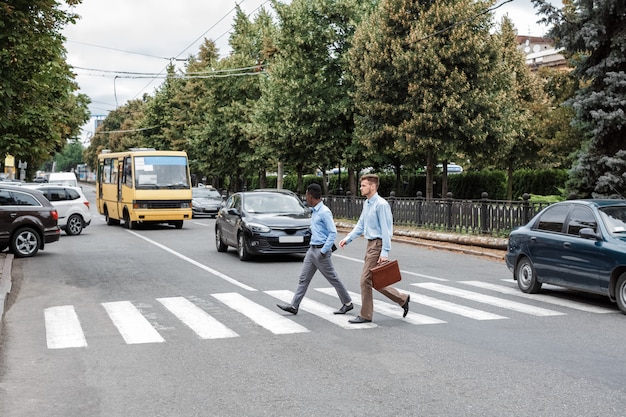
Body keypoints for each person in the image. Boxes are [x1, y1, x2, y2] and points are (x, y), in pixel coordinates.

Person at [339, 174, 410, 323]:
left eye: (363, 185)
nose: (361, 188)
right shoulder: (367, 203)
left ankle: (365, 315)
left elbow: (386, 230)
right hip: (370, 244)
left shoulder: (381, 204)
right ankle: (402, 299)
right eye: (361, 185)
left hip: (377, 244)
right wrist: (348, 238)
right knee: (374, 280)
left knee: (365, 280)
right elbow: (361, 225)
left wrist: (385, 251)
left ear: (372, 186)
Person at [277, 183, 354, 315]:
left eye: (307, 195)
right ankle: (294, 306)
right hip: (312, 250)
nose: (306, 198)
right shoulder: (314, 211)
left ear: (311, 196)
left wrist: (324, 251)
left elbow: (333, 233)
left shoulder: (324, 212)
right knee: (303, 279)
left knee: (333, 278)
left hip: (321, 252)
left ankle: (347, 303)